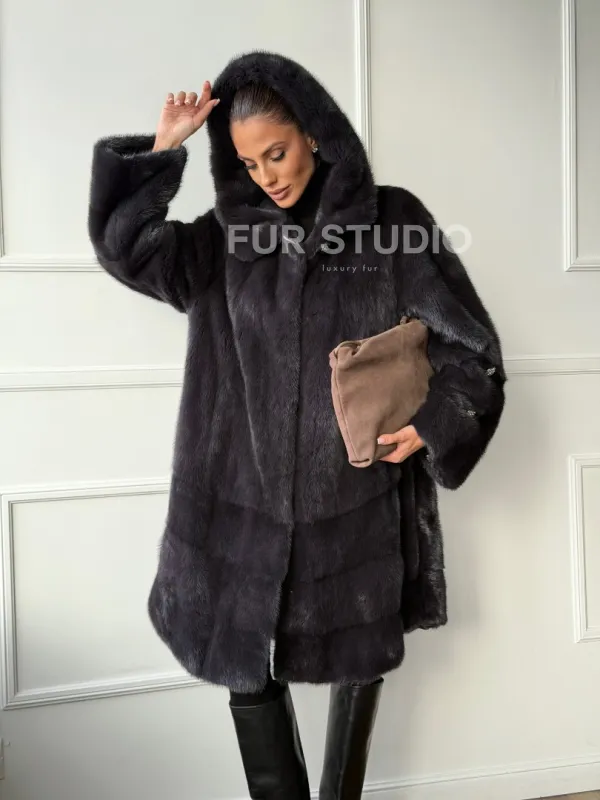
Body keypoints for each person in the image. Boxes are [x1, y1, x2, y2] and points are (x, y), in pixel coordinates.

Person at [87, 50, 506, 800]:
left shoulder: (392, 222)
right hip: (234, 500)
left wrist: (435, 424)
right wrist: (163, 151)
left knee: (360, 662)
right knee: (243, 665)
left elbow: (471, 347)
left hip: (355, 499)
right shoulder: (223, 238)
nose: (267, 176)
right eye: (249, 164)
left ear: (313, 133)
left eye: (276, 153)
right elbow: (128, 252)